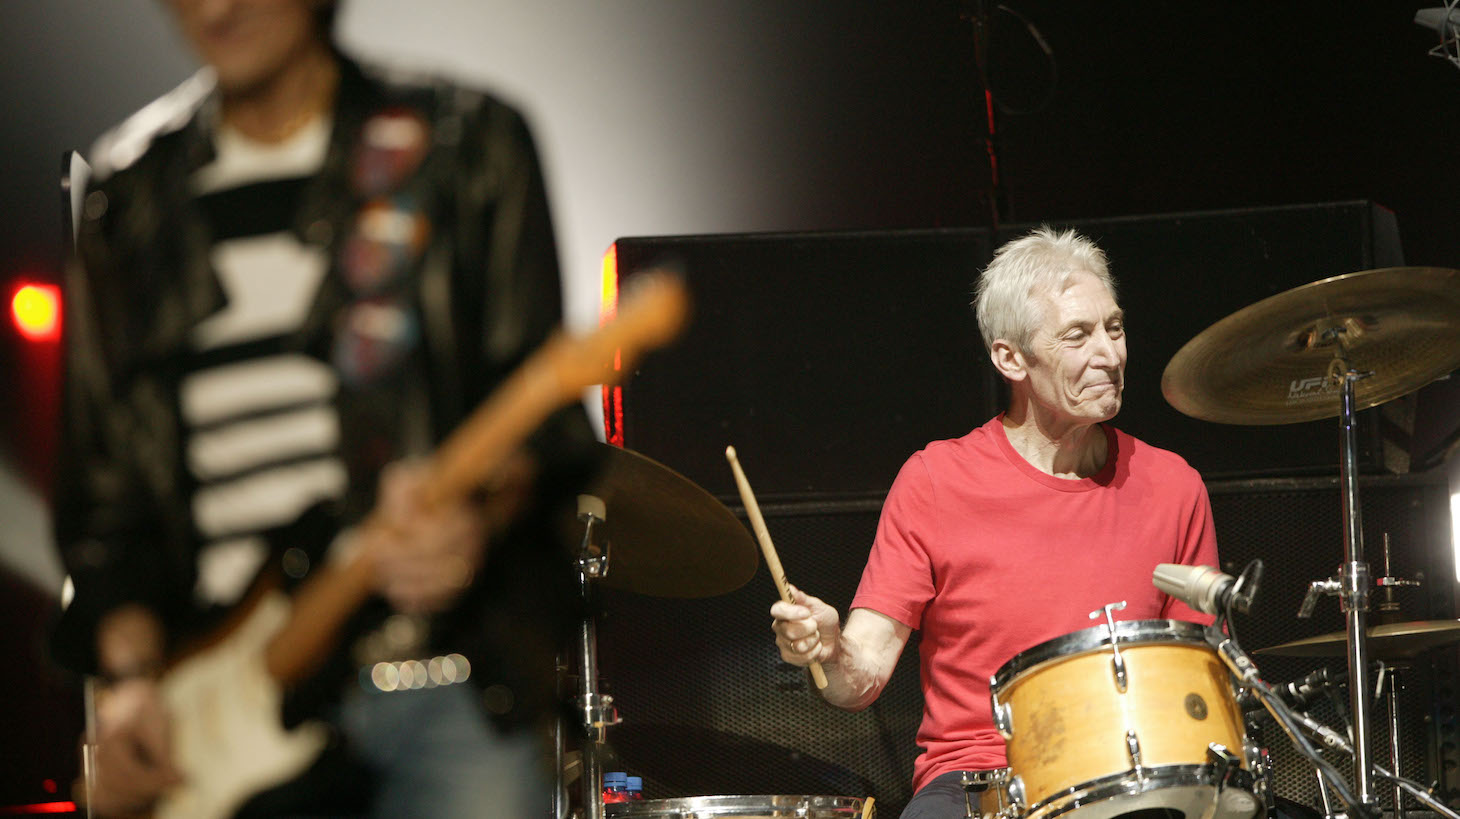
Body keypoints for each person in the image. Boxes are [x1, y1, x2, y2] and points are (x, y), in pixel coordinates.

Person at [50, 1, 595, 816]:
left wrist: (474, 518)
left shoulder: (466, 144)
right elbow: (107, 503)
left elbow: (545, 432)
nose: (218, 6)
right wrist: (129, 681)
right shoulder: (127, 195)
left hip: (436, 681)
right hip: (223, 705)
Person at [770, 227, 1219, 818]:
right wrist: (829, 649)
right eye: (1077, 336)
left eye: (1114, 328)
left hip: (1130, 775)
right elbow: (861, 680)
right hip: (978, 778)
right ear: (1010, 358)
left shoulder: (1173, 485)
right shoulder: (936, 480)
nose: (1110, 355)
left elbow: (1202, 685)